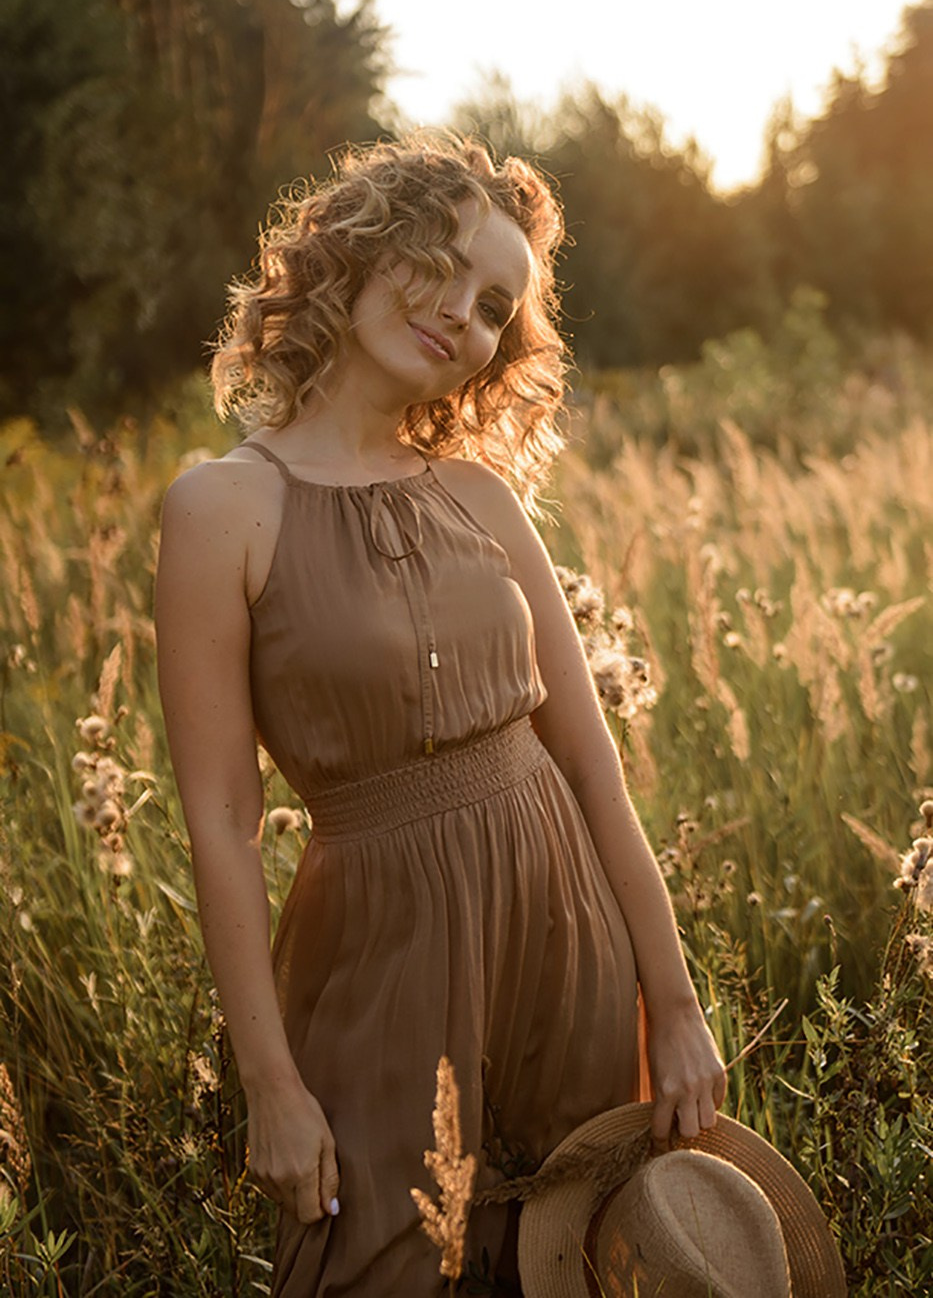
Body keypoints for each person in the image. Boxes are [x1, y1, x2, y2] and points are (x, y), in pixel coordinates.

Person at [155, 133, 726, 1296]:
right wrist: (269, 1079)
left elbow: (590, 762)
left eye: (494, 307)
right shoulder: (223, 508)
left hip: (565, 945)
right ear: (368, 242)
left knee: (573, 1260)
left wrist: (671, 998)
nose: (463, 314)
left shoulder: (481, 494)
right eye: (448, 267)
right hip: (378, 962)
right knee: (376, 1257)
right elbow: (221, 818)